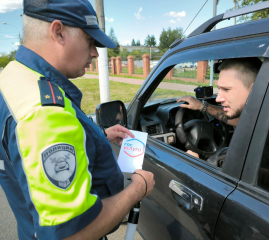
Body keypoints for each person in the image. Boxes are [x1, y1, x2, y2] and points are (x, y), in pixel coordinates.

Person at [0, 1, 154, 239]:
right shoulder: (45, 113)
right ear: (58, 31)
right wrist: (137, 189)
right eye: (91, 42)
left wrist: (96, 137)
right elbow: (73, 234)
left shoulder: (13, 77)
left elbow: (28, 155)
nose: (95, 52)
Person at [177, 57, 269, 190]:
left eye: (226, 89)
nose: (218, 98)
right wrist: (202, 106)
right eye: (219, 89)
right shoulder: (253, 118)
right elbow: (236, 120)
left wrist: (232, 165)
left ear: (255, 89)